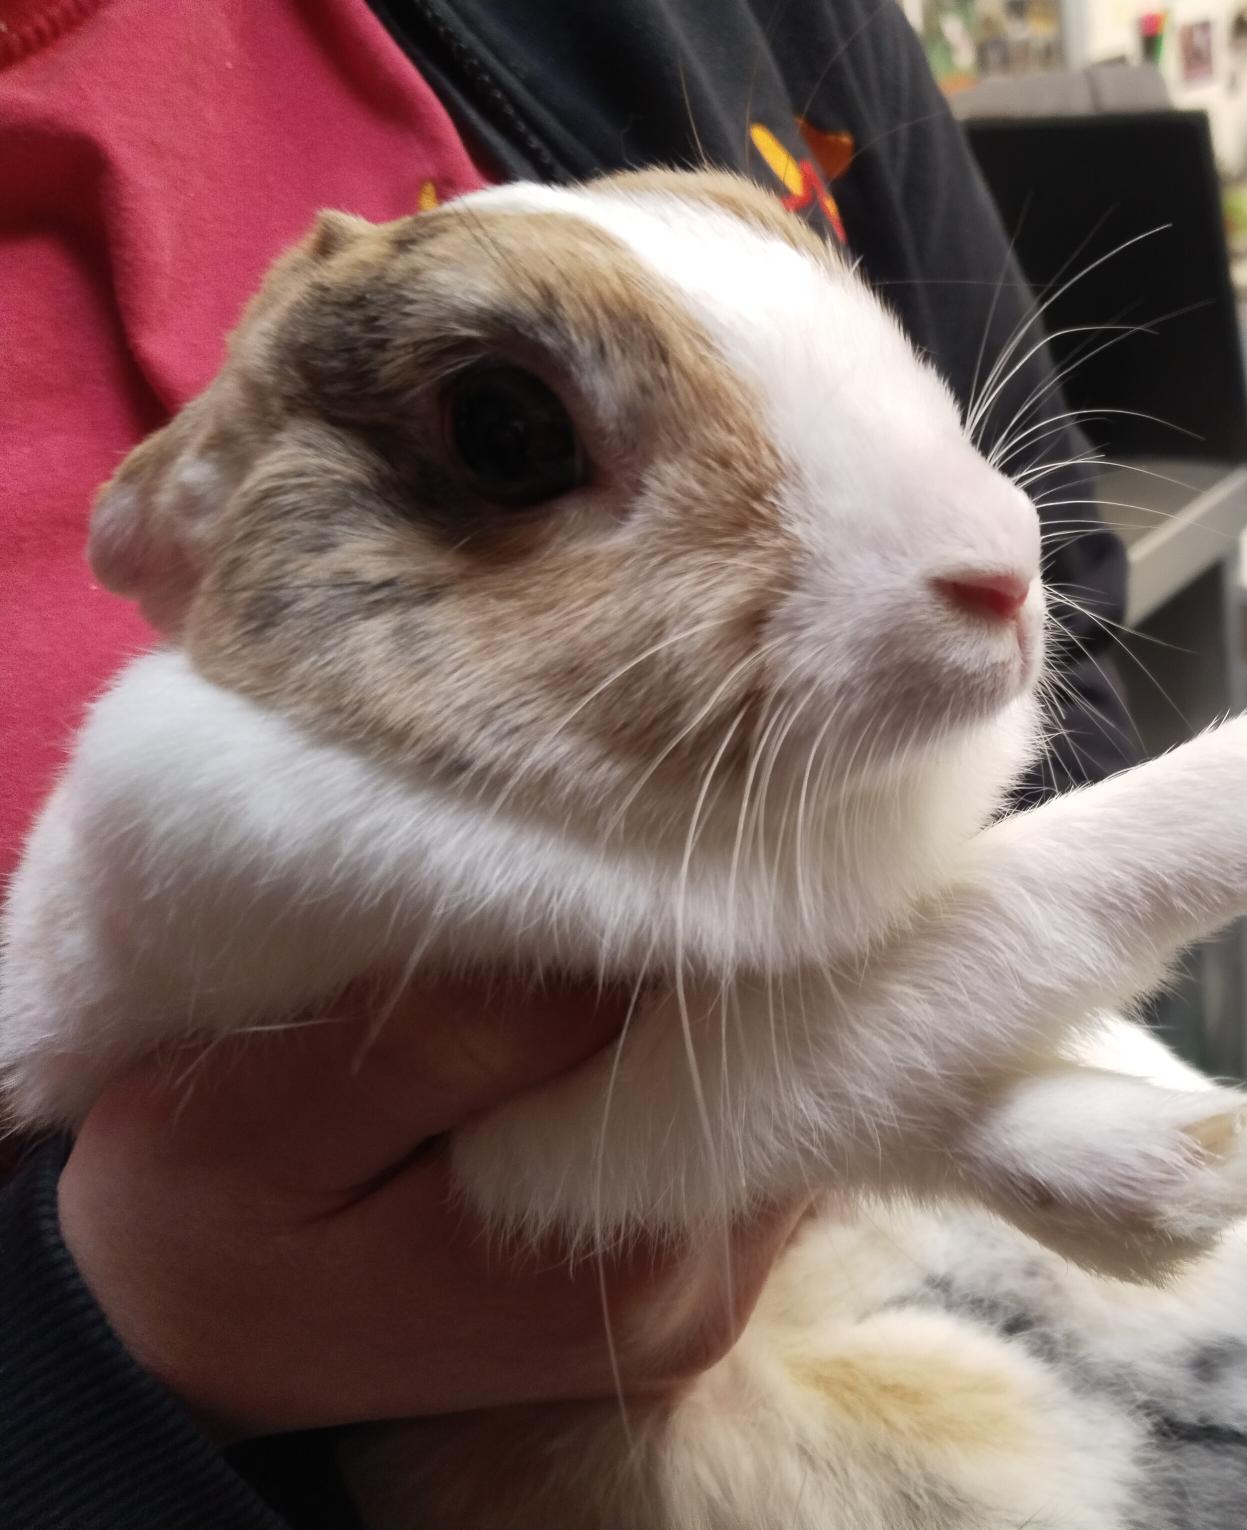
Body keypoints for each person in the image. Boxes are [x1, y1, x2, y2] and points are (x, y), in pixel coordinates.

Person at [0, 2, 1133, 1523]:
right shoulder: (207, 797)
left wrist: (963, 1017)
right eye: (515, 440)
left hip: (954, 1295)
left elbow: (1061, 580)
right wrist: (98, 1355)